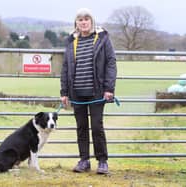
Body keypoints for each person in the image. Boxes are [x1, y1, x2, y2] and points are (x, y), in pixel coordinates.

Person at [60, 8, 117, 174]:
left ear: (92, 21)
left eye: (86, 19)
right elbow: (65, 67)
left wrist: (109, 88)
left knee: (97, 127)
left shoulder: (103, 39)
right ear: (76, 23)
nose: (83, 22)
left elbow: (111, 63)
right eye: (80, 19)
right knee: (81, 127)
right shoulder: (71, 41)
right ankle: (84, 160)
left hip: (97, 92)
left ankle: (102, 162)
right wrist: (64, 92)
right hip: (76, 93)